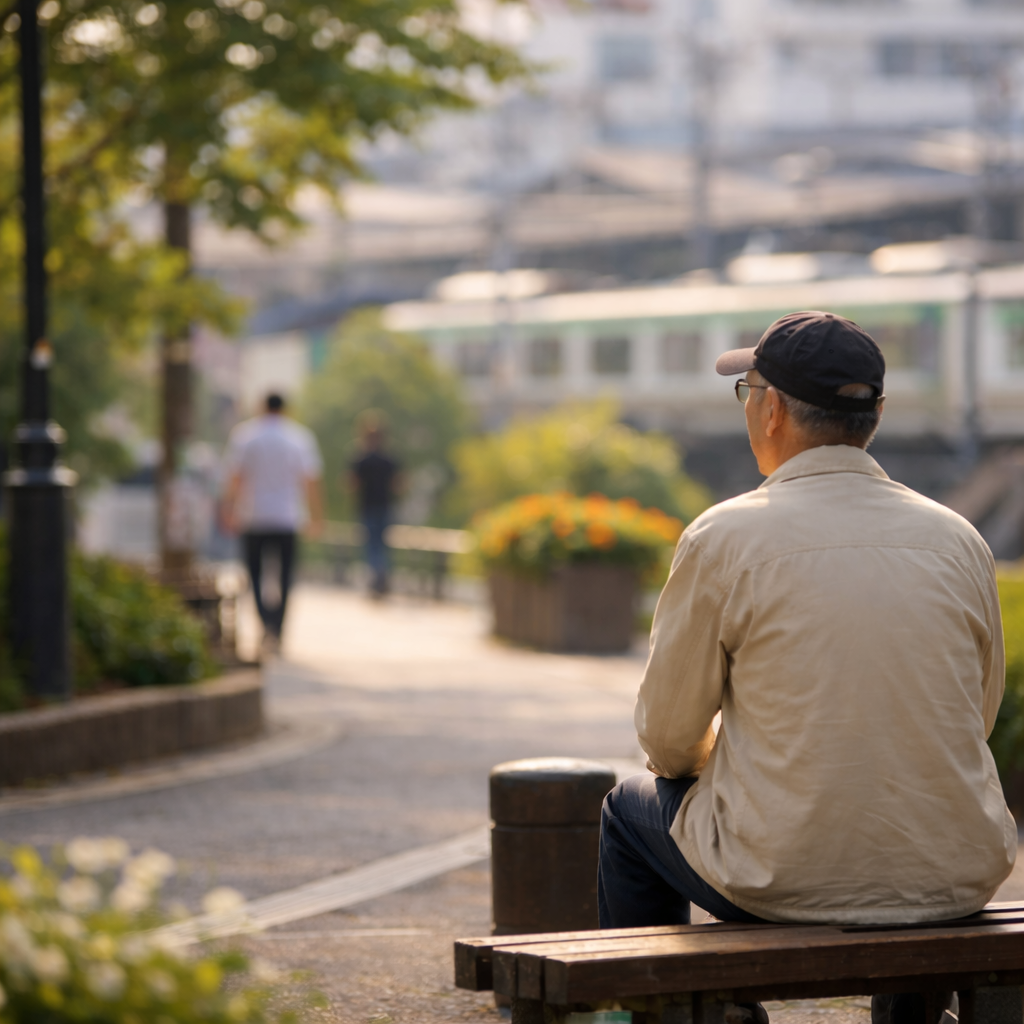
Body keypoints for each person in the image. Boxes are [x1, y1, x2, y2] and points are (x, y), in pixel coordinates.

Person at [598, 311, 1016, 1024]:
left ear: (769, 410)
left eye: (747, 393)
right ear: (875, 414)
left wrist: (733, 768)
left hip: (776, 877)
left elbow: (668, 742)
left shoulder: (724, 535)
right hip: (955, 872)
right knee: (904, 819)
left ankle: (684, 1011)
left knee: (624, 811)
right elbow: (970, 718)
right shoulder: (959, 540)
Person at [222, 393, 324, 653]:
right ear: (286, 409)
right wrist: (316, 517)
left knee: (254, 575)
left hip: (253, 517)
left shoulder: (245, 436)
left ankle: (265, 621)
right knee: (286, 577)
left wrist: (229, 509)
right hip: (287, 518)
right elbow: (310, 481)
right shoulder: (299, 438)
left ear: (261, 407)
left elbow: (236, 477)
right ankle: (277, 628)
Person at [350, 414, 400, 597]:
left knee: (372, 545)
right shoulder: (389, 459)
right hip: (386, 507)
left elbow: (351, 484)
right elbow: (398, 484)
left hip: (367, 507)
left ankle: (376, 577)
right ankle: (382, 574)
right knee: (383, 544)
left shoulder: (361, 459)